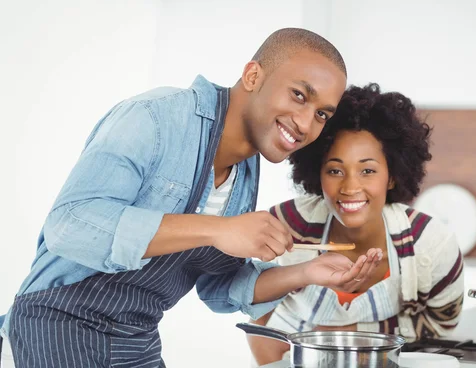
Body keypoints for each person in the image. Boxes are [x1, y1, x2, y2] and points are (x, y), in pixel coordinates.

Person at [0, 28, 381, 368]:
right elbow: (70, 225)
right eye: (299, 95)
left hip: (135, 343)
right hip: (54, 330)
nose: (304, 123)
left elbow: (218, 289)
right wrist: (216, 229)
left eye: (321, 114)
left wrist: (303, 273)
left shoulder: (245, 172)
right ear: (253, 76)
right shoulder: (154, 117)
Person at [247, 84, 465, 366]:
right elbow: (257, 315)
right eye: (335, 170)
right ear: (318, 171)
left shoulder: (431, 244)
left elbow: (439, 337)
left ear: (391, 176)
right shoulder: (286, 226)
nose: (350, 187)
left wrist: (334, 341)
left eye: (368, 170)